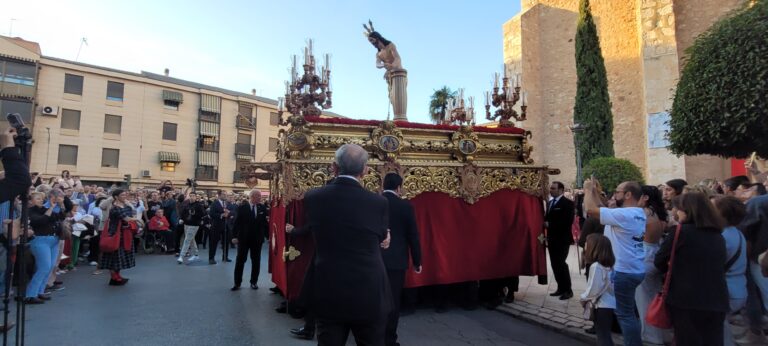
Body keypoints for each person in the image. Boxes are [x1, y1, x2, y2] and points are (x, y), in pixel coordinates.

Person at [297, 144, 391, 345]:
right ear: (365, 170)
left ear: (334, 167)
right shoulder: (378, 202)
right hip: (369, 291)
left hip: (328, 288)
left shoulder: (313, 197)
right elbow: (381, 236)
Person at [654, 193, 728, 345]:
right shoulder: (718, 234)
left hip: (686, 298)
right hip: (716, 297)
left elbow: (659, 260)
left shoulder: (680, 232)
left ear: (687, 210)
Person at [583, 178, 646, 346]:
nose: (614, 194)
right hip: (633, 269)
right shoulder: (634, 213)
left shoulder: (625, 214)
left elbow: (590, 209)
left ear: (628, 194)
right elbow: (601, 209)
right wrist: (595, 192)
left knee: (625, 314)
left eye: (617, 192)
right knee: (628, 312)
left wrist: (588, 189)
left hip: (624, 271)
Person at [381, 173, 422, 346]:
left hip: (374, 258)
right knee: (393, 301)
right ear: (399, 187)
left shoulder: (374, 202)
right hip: (397, 261)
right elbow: (413, 236)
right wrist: (417, 261)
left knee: (375, 298)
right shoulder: (405, 206)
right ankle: (389, 339)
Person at [712, 196, 748, 346]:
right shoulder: (736, 233)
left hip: (727, 290)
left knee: (719, 330)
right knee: (722, 328)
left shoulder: (722, 237)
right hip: (738, 288)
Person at [635, 185, 669, 345]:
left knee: (644, 300)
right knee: (655, 297)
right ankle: (659, 333)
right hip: (655, 252)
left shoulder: (645, 213)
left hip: (645, 255)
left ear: (646, 197)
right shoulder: (660, 213)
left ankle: (650, 336)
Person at [580, 234, 616, 346]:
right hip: (609, 305)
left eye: (586, 243)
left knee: (602, 338)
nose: (585, 245)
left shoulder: (596, 266)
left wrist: (583, 298)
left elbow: (593, 289)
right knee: (606, 336)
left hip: (601, 306)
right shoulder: (608, 265)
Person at [99, 189, 139, 285]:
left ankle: (118, 275)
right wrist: (138, 220)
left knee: (121, 256)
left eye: (125, 195)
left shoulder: (125, 206)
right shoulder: (115, 208)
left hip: (124, 233)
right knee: (114, 257)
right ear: (116, 197)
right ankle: (113, 278)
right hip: (115, 234)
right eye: (122, 195)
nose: (125, 197)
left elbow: (132, 212)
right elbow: (126, 218)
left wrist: (129, 205)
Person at [231, 190, 268, 290]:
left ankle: (254, 282)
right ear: (252, 197)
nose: (260, 198)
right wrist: (234, 236)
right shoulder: (242, 208)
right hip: (243, 239)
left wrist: (269, 236)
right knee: (240, 260)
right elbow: (236, 223)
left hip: (257, 239)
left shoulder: (262, 207)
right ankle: (237, 283)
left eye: (260, 196)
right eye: (258, 196)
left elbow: (265, 224)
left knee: (256, 261)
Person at [545, 181, 576, 300]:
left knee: (561, 263)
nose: (551, 190)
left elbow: (567, 222)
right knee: (554, 264)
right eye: (550, 188)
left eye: (553, 188)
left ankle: (568, 290)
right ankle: (560, 288)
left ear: (561, 190)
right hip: (552, 239)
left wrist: (550, 224)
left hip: (562, 239)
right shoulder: (550, 203)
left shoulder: (567, 203)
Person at [177, 193, 204, 264]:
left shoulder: (199, 205)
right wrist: (181, 219)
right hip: (186, 224)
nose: (192, 197)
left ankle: (181, 256)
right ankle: (196, 254)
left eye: (193, 196)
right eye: (190, 196)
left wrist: (194, 213)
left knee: (187, 240)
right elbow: (183, 213)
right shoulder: (187, 205)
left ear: (196, 197)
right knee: (191, 239)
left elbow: (202, 214)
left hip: (194, 225)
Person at [207, 191, 229, 264]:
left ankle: (225, 257)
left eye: (226, 195)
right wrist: (221, 215)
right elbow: (211, 214)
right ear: (219, 195)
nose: (225, 196)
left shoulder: (227, 203)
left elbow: (232, 211)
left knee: (226, 242)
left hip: (225, 225)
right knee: (214, 242)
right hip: (216, 225)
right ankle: (211, 258)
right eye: (224, 194)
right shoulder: (214, 203)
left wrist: (229, 213)